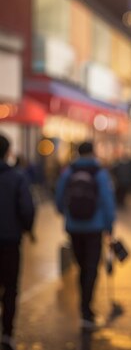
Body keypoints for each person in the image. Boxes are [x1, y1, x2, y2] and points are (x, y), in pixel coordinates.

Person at [55, 142, 115, 329]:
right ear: (93, 152)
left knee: (81, 266)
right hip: (94, 227)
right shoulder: (99, 173)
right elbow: (107, 199)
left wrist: (64, 213)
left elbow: (58, 196)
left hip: (74, 226)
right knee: (91, 268)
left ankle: (85, 305)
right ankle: (86, 310)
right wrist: (109, 224)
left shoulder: (69, 171)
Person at [0, 134, 36, 350]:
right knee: (10, 288)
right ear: (8, 152)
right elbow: (27, 208)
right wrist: (27, 228)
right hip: (10, 240)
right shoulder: (17, 177)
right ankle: (7, 333)